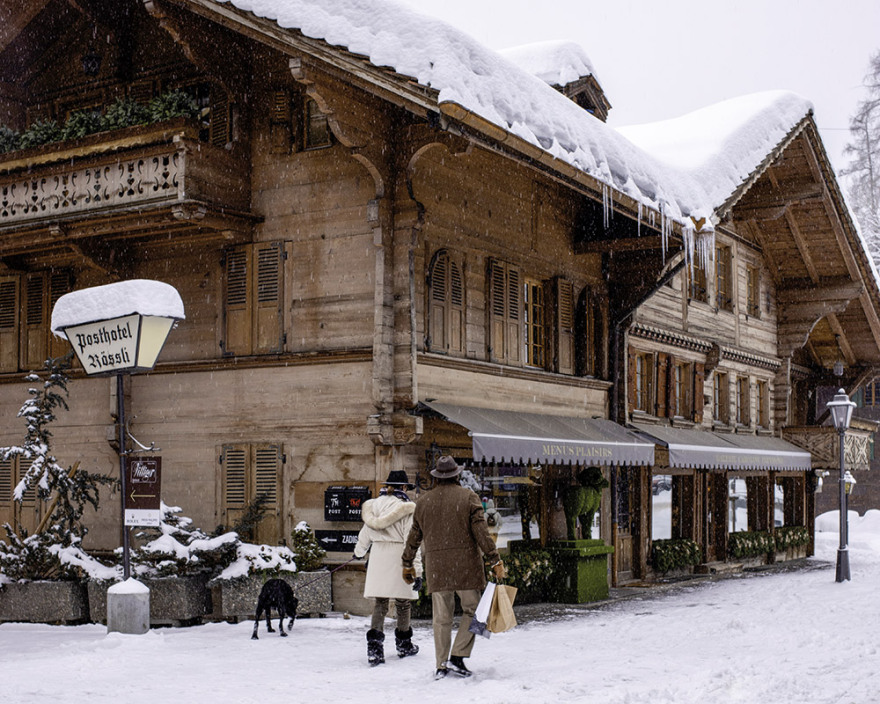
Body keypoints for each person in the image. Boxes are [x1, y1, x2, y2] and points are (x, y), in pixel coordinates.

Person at [401, 456, 506, 679]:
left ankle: (441, 664)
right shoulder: (469, 498)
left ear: (437, 477)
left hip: (437, 567)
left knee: (441, 617)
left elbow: (414, 536)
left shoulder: (424, 502)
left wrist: (407, 562)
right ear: (457, 475)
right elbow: (482, 534)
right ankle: (458, 655)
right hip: (466, 566)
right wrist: (495, 560)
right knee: (476, 611)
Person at [353, 470, 423, 666]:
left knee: (381, 603)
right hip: (400, 557)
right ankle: (404, 644)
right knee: (403, 602)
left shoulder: (373, 507)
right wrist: (416, 570)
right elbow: (411, 542)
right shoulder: (406, 509)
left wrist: (358, 553)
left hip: (378, 556)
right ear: (402, 487)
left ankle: (374, 648)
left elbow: (365, 534)